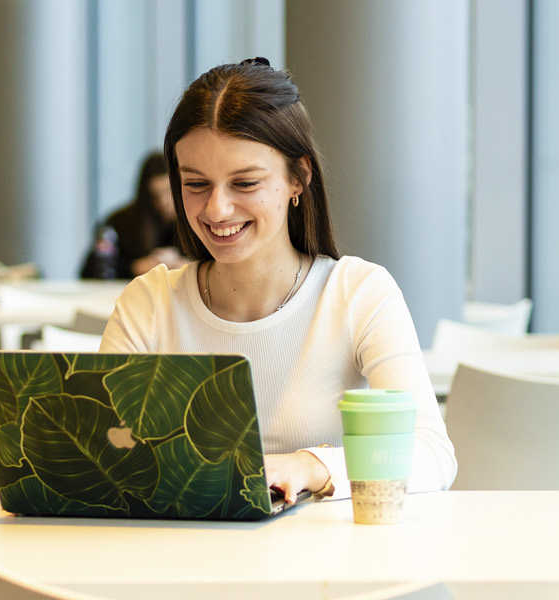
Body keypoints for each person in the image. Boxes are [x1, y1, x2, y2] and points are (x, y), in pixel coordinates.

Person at [100, 58, 457, 505]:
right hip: (183, 543)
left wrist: (312, 465)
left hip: (324, 546)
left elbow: (431, 452)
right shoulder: (149, 303)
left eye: (245, 183)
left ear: (298, 178)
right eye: (196, 184)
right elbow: (103, 455)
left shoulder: (358, 292)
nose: (216, 209)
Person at [80, 153, 190, 279]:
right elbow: (94, 269)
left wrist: (185, 265)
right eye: (155, 195)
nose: (164, 201)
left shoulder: (195, 221)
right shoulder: (118, 223)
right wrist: (135, 267)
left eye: (168, 191)